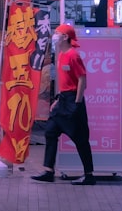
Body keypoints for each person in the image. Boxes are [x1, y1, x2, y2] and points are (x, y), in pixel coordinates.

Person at [33, 23, 95, 185]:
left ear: (65, 37)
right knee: (50, 132)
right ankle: (48, 171)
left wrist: (77, 102)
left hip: (74, 100)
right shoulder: (60, 55)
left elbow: (82, 80)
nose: (54, 36)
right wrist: (58, 99)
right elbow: (64, 81)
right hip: (63, 100)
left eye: (57, 33)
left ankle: (89, 175)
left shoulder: (73, 55)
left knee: (80, 139)